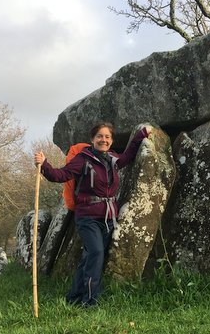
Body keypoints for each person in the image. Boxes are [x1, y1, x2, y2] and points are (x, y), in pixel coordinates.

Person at [34, 122, 151, 307]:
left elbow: (127, 157)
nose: (103, 140)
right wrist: (44, 165)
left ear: (111, 141)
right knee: (96, 253)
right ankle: (90, 300)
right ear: (92, 139)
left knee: (90, 257)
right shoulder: (83, 159)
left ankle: (74, 297)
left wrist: (140, 136)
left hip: (108, 218)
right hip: (87, 217)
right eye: (100, 136)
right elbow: (60, 175)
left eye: (107, 137)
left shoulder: (112, 159)